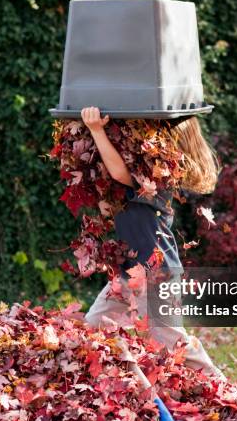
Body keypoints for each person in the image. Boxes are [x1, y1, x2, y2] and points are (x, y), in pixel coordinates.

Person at [80, 106, 225, 380]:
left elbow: (121, 174)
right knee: (94, 329)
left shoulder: (159, 176)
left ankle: (227, 391)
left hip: (155, 274)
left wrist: (97, 130)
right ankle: (129, 385)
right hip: (129, 274)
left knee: (175, 345)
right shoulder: (147, 171)